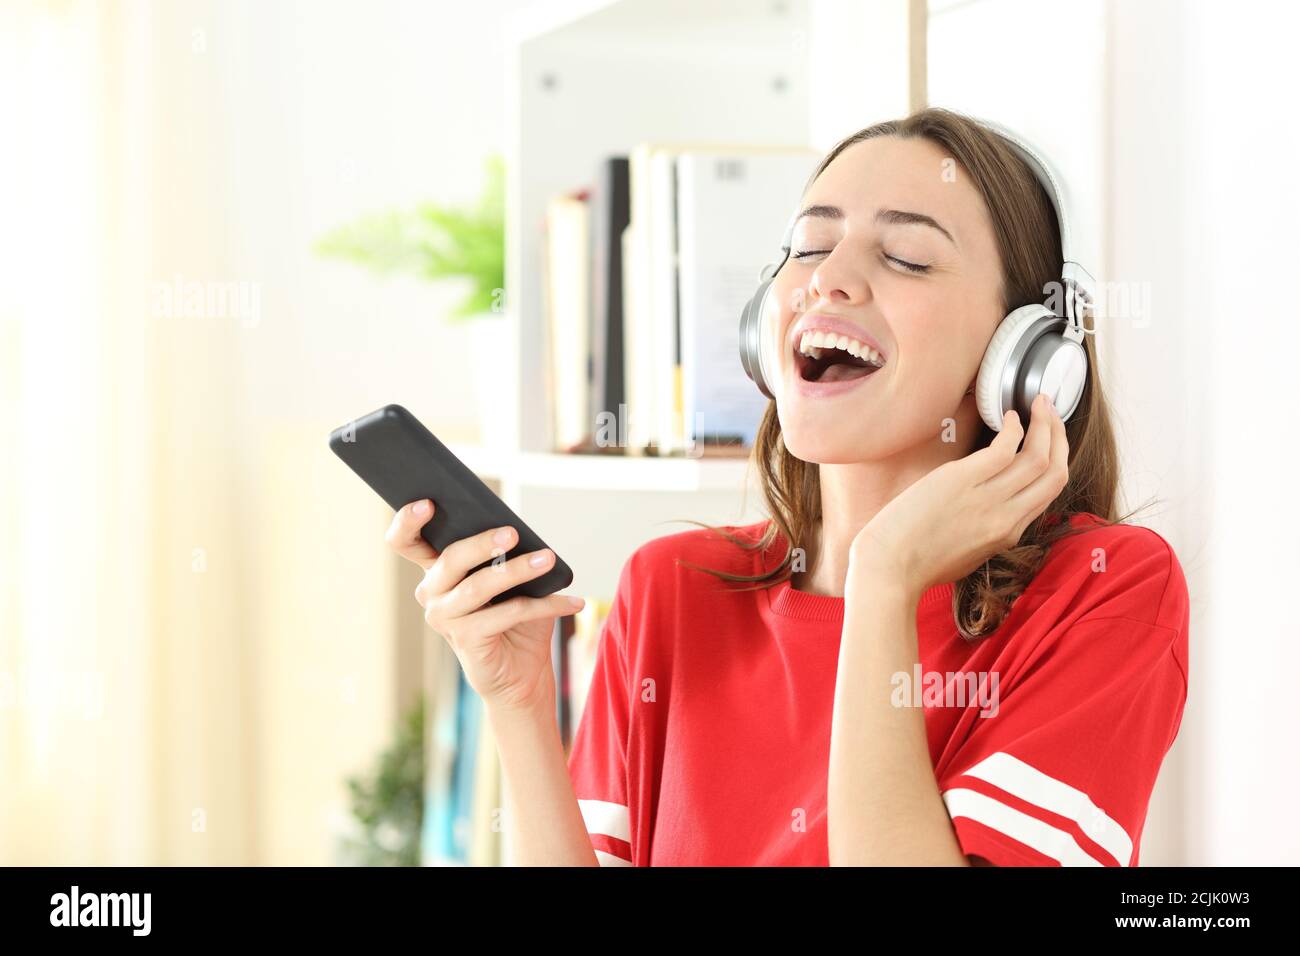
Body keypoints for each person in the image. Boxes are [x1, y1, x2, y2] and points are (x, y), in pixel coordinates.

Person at [385, 107, 1189, 866]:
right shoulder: (673, 587)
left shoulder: (1101, 593)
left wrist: (884, 580)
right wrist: (519, 704)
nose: (828, 280)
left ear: (1026, 353)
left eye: (905, 257)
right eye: (808, 248)